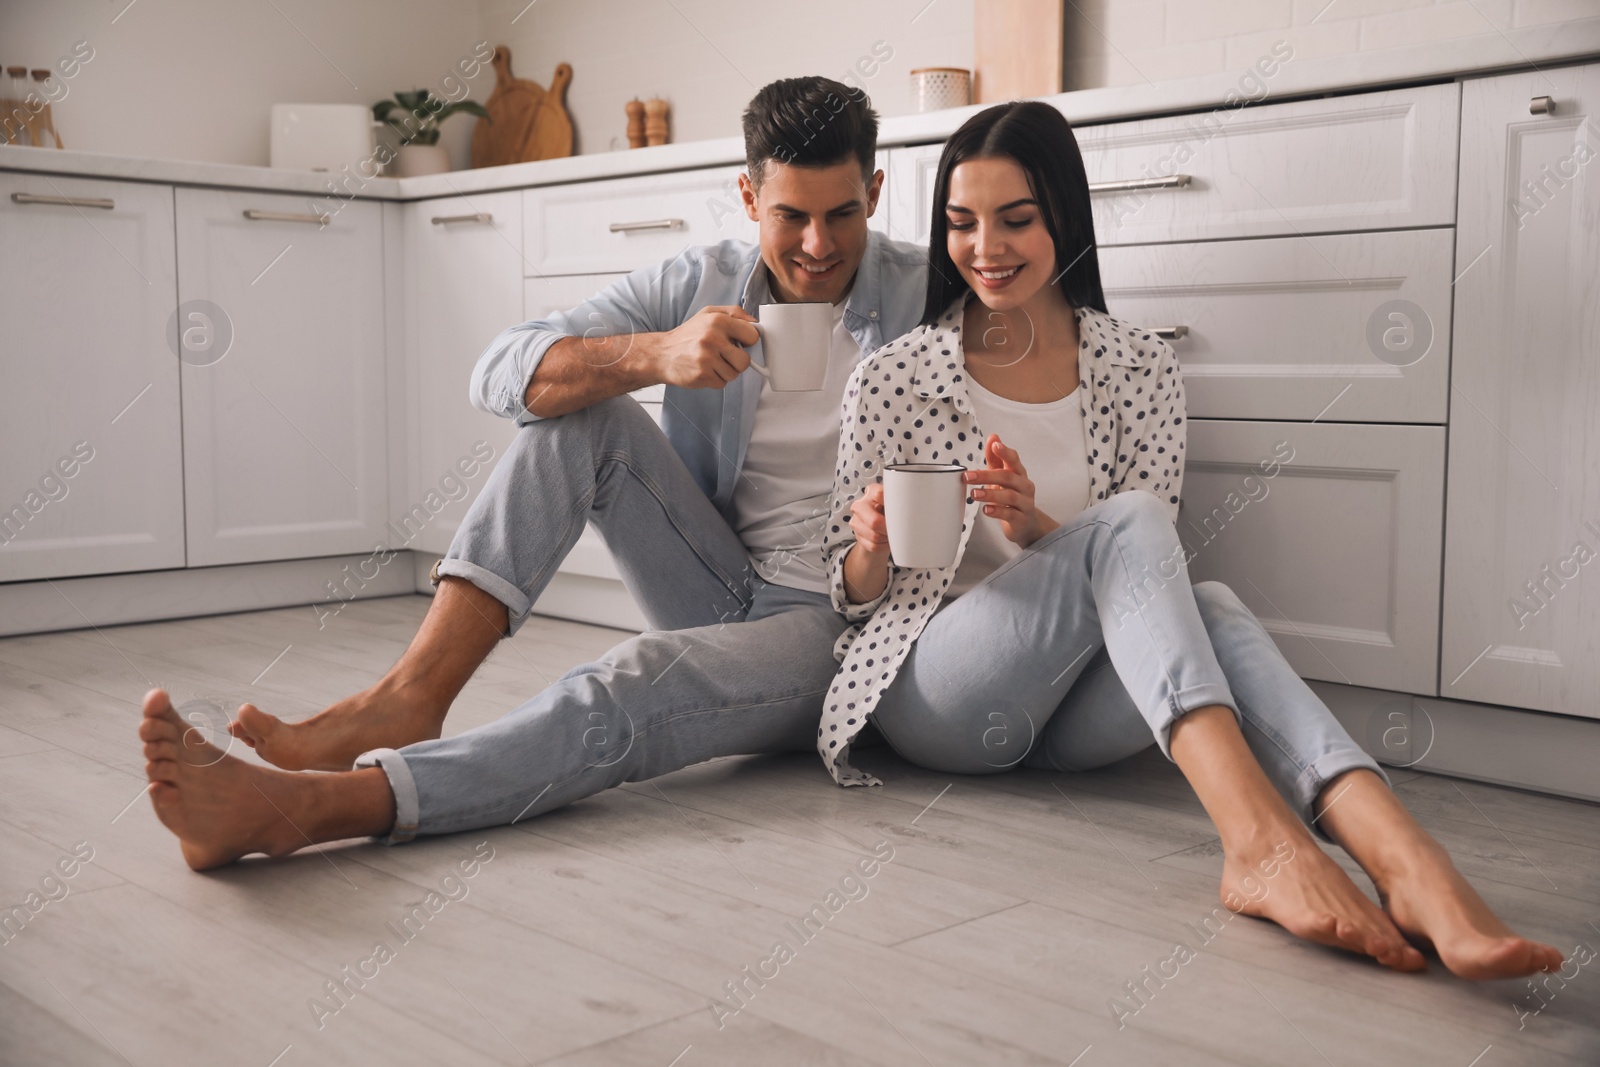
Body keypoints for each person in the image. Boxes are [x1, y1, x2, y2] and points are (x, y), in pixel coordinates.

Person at [818, 100, 1564, 982]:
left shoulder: (1141, 366)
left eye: (1016, 219)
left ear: (1064, 214)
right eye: (961, 223)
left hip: (1078, 716)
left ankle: (1397, 849)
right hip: (937, 693)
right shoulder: (896, 374)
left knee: (1204, 597)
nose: (985, 247)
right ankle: (1262, 841)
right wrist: (871, 542)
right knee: (1133, 527)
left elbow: (1146, 570)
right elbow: (846, 592)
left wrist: (1037, 528)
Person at [139, 76, 927, 862]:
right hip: (717, 584)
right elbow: (498, 371)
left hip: (839, 627)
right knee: (581, 414)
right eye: (792, 216)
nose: (818, 246)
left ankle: (315, 806)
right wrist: (652, 354)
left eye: (842, 214)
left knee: (632, 676)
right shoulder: (700, 282)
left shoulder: (928, 290)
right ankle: (410, 695)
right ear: (750, 198)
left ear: (876, 193)